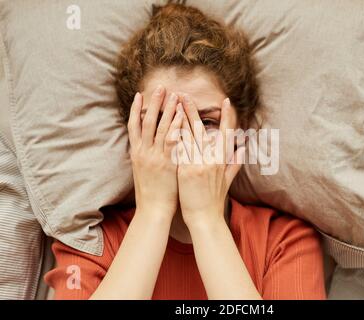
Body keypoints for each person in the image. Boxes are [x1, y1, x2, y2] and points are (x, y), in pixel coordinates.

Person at [45, 3, 326, 300]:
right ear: (133, 134)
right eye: (161, 121)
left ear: (239, 131)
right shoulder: (91, 241)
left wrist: (207, 220)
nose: (182, 142)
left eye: (206, 122)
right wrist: (153, 212)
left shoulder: (283, 241)